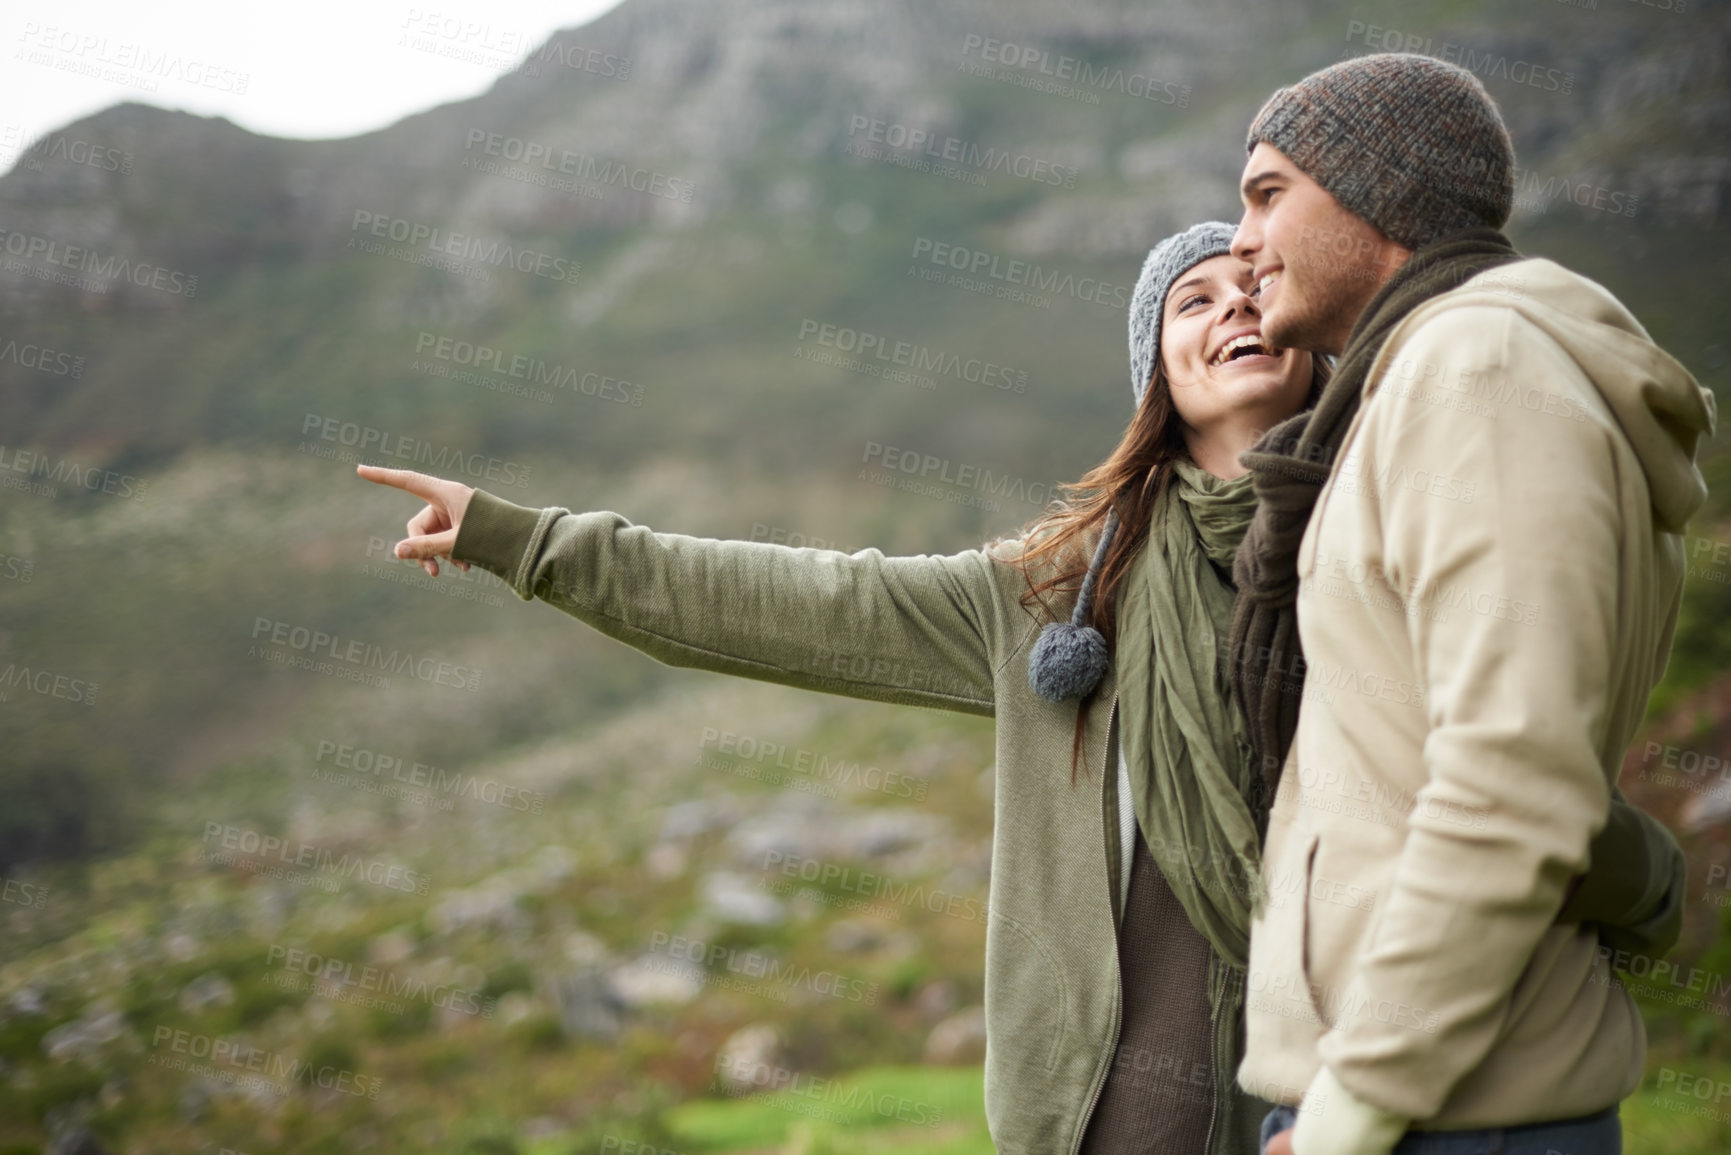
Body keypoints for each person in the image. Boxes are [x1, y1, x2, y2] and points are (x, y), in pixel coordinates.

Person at [359, 222, 1681, 1155]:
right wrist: (521, 538)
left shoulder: (1394, 541)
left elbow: (1509, 775)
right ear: (1153, 379)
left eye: (1248, 287)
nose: (1228, 307)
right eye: (1189, 300)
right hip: (1115, 1119)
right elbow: (785, 602)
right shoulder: (1053, 597)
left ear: (1319, 344)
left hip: (1377, 1086)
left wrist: (1641, 880)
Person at [1219, 54, 1716, 1155]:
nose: (1241, 243)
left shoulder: (1479, 370)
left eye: (1267, 195)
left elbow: (1511, 776)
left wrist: (1354, 1108)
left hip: (1446, 1119)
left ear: (1381, 191)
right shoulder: (1414, 381)